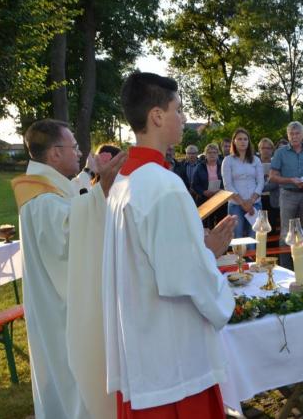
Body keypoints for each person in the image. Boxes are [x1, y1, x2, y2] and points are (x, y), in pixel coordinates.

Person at [104, 72, 237, 418]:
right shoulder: (164, 185)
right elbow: (186, 276)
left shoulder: (124, 181)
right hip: (172, 356)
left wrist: (199, 250)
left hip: (141, 340)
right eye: (178, 109)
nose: (182, 118)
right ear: (157, 116)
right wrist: (209, 255)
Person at [12, 119, 126, 419]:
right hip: (60, 305)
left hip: (55, 297)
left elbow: (70, 201)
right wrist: (102, 189)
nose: (79, 152)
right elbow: (70, 232)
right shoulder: (42, 199)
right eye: (73, 147)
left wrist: (89, 175)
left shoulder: (43, 187)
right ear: (54, 154)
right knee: (69, 374)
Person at [269, 121, 303, 268]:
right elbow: (272, 176)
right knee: (286, 232)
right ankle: (285, 269)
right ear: (288, 135)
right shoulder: (280, 153)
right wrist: (290, 180)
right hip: (288, 194)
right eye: (291, 134)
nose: (294, 136)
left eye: (297, 133)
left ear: (302, 134)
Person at [222, 128, 264, 242]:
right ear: (234, 141)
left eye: (245, 139)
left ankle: (254, 259)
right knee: (238, 238)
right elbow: (228, 185)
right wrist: (243, 203)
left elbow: (260, 182)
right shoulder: (228, 160)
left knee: (254, 238)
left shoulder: (256, 160)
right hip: (236, 204)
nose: (243, 141)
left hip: (254, 204)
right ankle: (239, 260)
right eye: (239, 139)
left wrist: (250, 202)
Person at [193, 143, 227, 228]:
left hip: (220, 199)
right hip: (204, 199)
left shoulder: (223, 165)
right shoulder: (199, 167)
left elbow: (227, 181)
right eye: (209, 152)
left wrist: (221, 190)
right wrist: (203, 192)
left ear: (218, 154)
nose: (212, 154)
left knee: (220, 225)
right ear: (205, 154)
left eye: (214, 152)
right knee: (206, 226)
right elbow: (194, 184)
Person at [258, 138, 281, 231]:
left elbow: (277, 182)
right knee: (259, 228)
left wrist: (259, 188)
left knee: (272, 227)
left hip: (273, 199)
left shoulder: (276, 163)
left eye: (268, 148)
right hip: (257, 199)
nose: (265, 150)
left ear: (272, 150)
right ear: (259, 149)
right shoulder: (254, 163)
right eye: (263, 148)